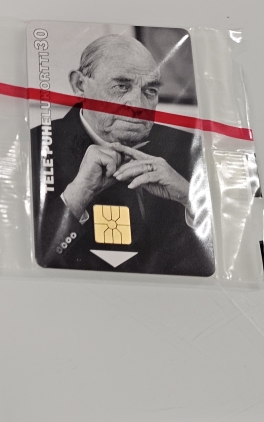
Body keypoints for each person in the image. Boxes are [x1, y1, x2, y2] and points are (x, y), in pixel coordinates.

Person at [30, 34, 214, 276]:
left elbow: (225, 257)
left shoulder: (190, 150)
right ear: (80, 85)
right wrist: (76, 198)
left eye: (150, 90)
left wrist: (190, 199)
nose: (138, 105)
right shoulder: (32, 147)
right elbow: (22, 257)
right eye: (121, 87)